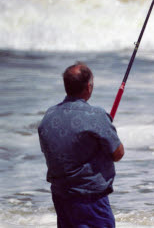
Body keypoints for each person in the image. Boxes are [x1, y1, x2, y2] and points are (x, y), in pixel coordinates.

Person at [38, 62, 124, 228]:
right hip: (91, 199)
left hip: (61, 197)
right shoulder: (96, 115)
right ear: (88, 87)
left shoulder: (48, 116)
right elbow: (118, 153)